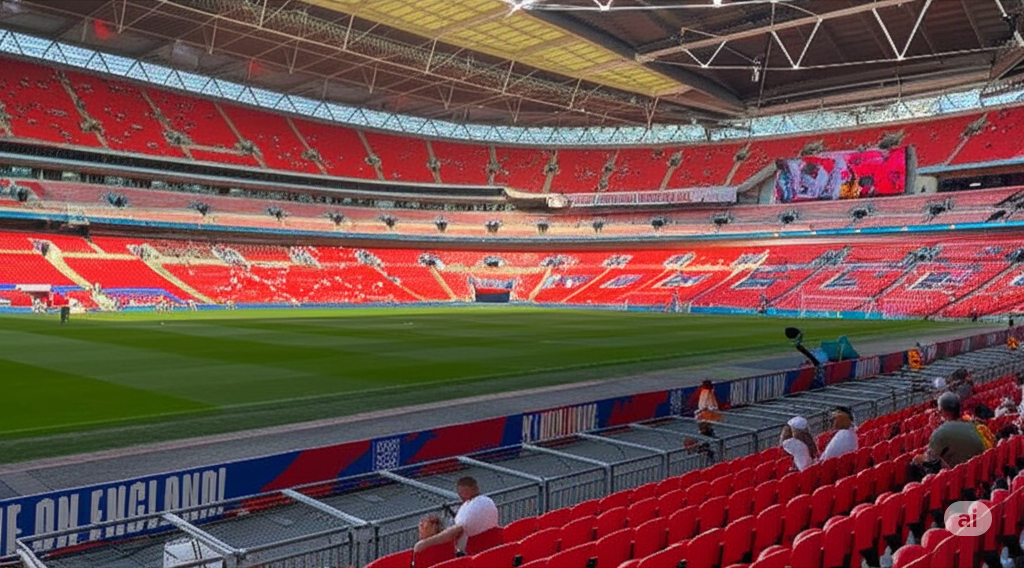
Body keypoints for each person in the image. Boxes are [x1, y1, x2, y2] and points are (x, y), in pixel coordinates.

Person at [413, 477, 498, 557]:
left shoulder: (466, 511)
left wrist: (425, 543)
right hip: (492, 549)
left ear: (465, 491)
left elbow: (453, 532)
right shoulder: (489, 502)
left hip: (470, 554)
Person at [910, 393, 987, 481]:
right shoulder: (974, 425)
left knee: (917, 461)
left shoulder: (940, 432)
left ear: (943, 412)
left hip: (957, 478)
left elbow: (930, 457)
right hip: (978, 470)